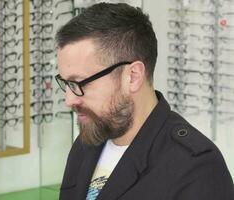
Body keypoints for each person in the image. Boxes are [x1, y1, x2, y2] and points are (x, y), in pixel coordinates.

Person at [54, 2, 234, 200]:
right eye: (66, 84)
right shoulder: (87, 142)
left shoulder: (195, 168)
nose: (69, 100)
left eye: (80, 84)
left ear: (132, 76)